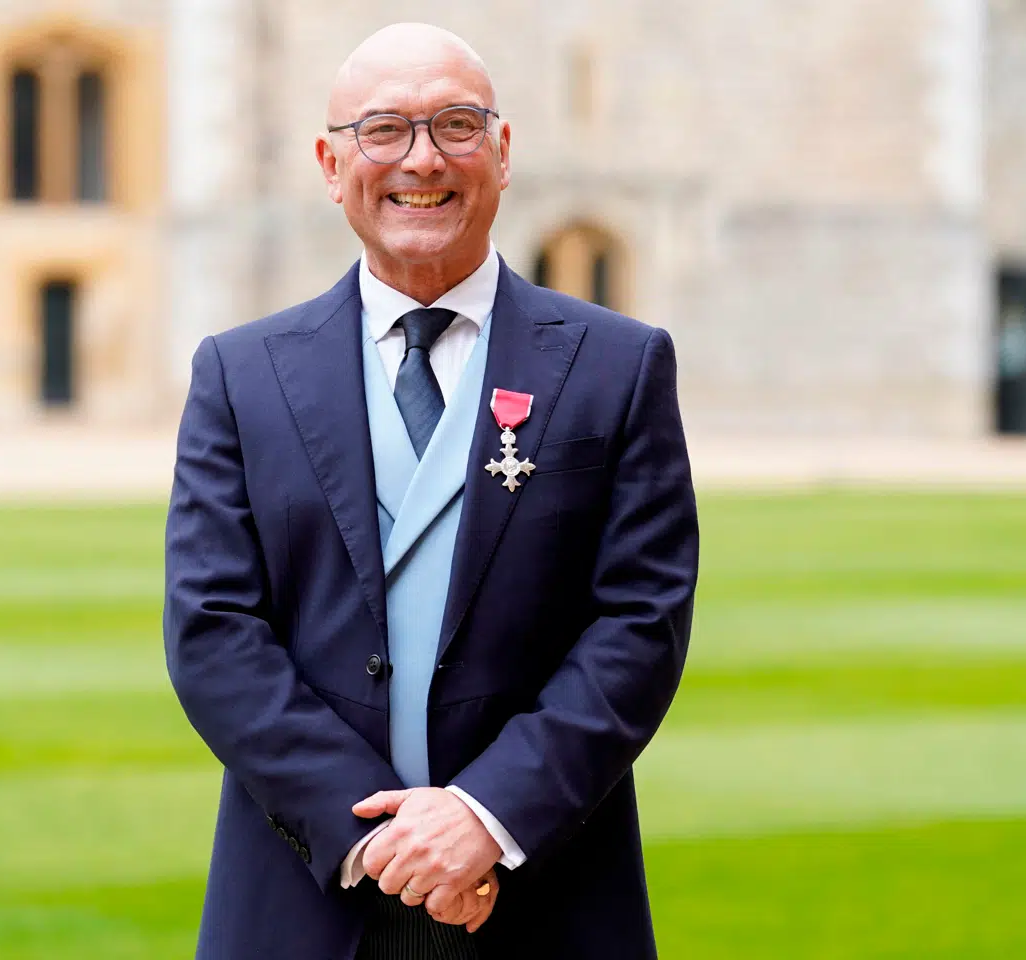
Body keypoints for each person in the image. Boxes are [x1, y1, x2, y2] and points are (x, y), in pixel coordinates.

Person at [164, 21, 698, 959]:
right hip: (307, 893)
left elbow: (640, 624)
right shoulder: (240, 375)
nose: (422, 159)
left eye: (456, 125)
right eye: (384, 131)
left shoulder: (619, 365)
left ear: (501, 152)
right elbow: (213, 633)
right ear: (333, 166)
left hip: (544, 893)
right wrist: (379, 837)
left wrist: (486, 818)